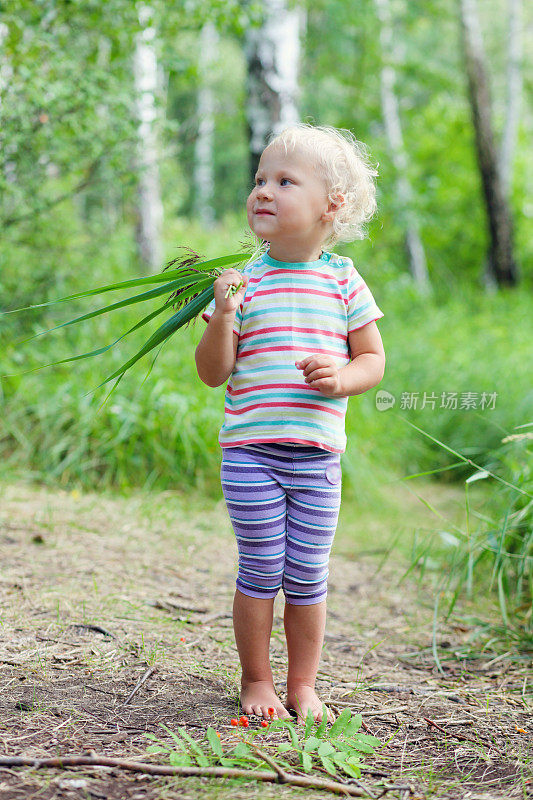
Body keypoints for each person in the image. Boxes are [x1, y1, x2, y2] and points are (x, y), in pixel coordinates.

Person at [195, 123, 385, 724]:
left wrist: (341, 377)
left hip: (317, 455)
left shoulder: (342, 280)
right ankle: (257, 680)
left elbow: (372, 360)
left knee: (306, 573)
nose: (263, 192)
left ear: (333, 205)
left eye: (283, 181)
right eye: (259, 180)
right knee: (260, 564)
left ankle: (302, 684)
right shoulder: (244, 281)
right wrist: (223, 316)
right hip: (251, 449)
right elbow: (212, 372)